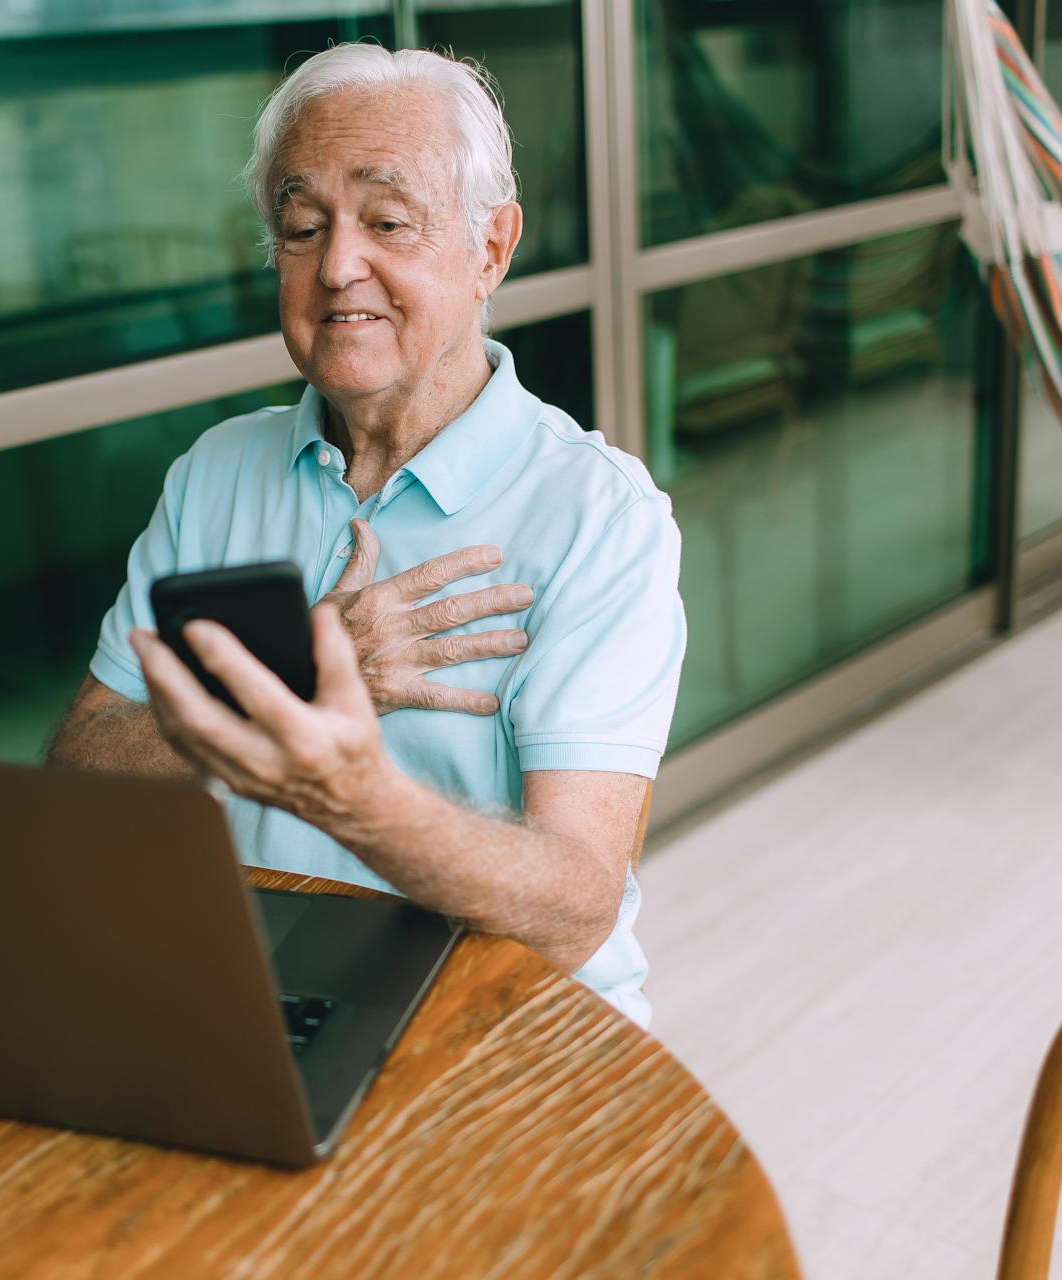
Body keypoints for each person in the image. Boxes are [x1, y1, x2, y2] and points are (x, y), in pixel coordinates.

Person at [48, 43, 684, 1027]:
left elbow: (575, 906)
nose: (339, 266)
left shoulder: (600, 514)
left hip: (508, 1021)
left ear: (491, 248)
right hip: (268, 998)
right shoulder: (217, 470)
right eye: (303, 227)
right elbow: (81, 772)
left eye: (388, 221)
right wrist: (298, 662)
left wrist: (349, 790)